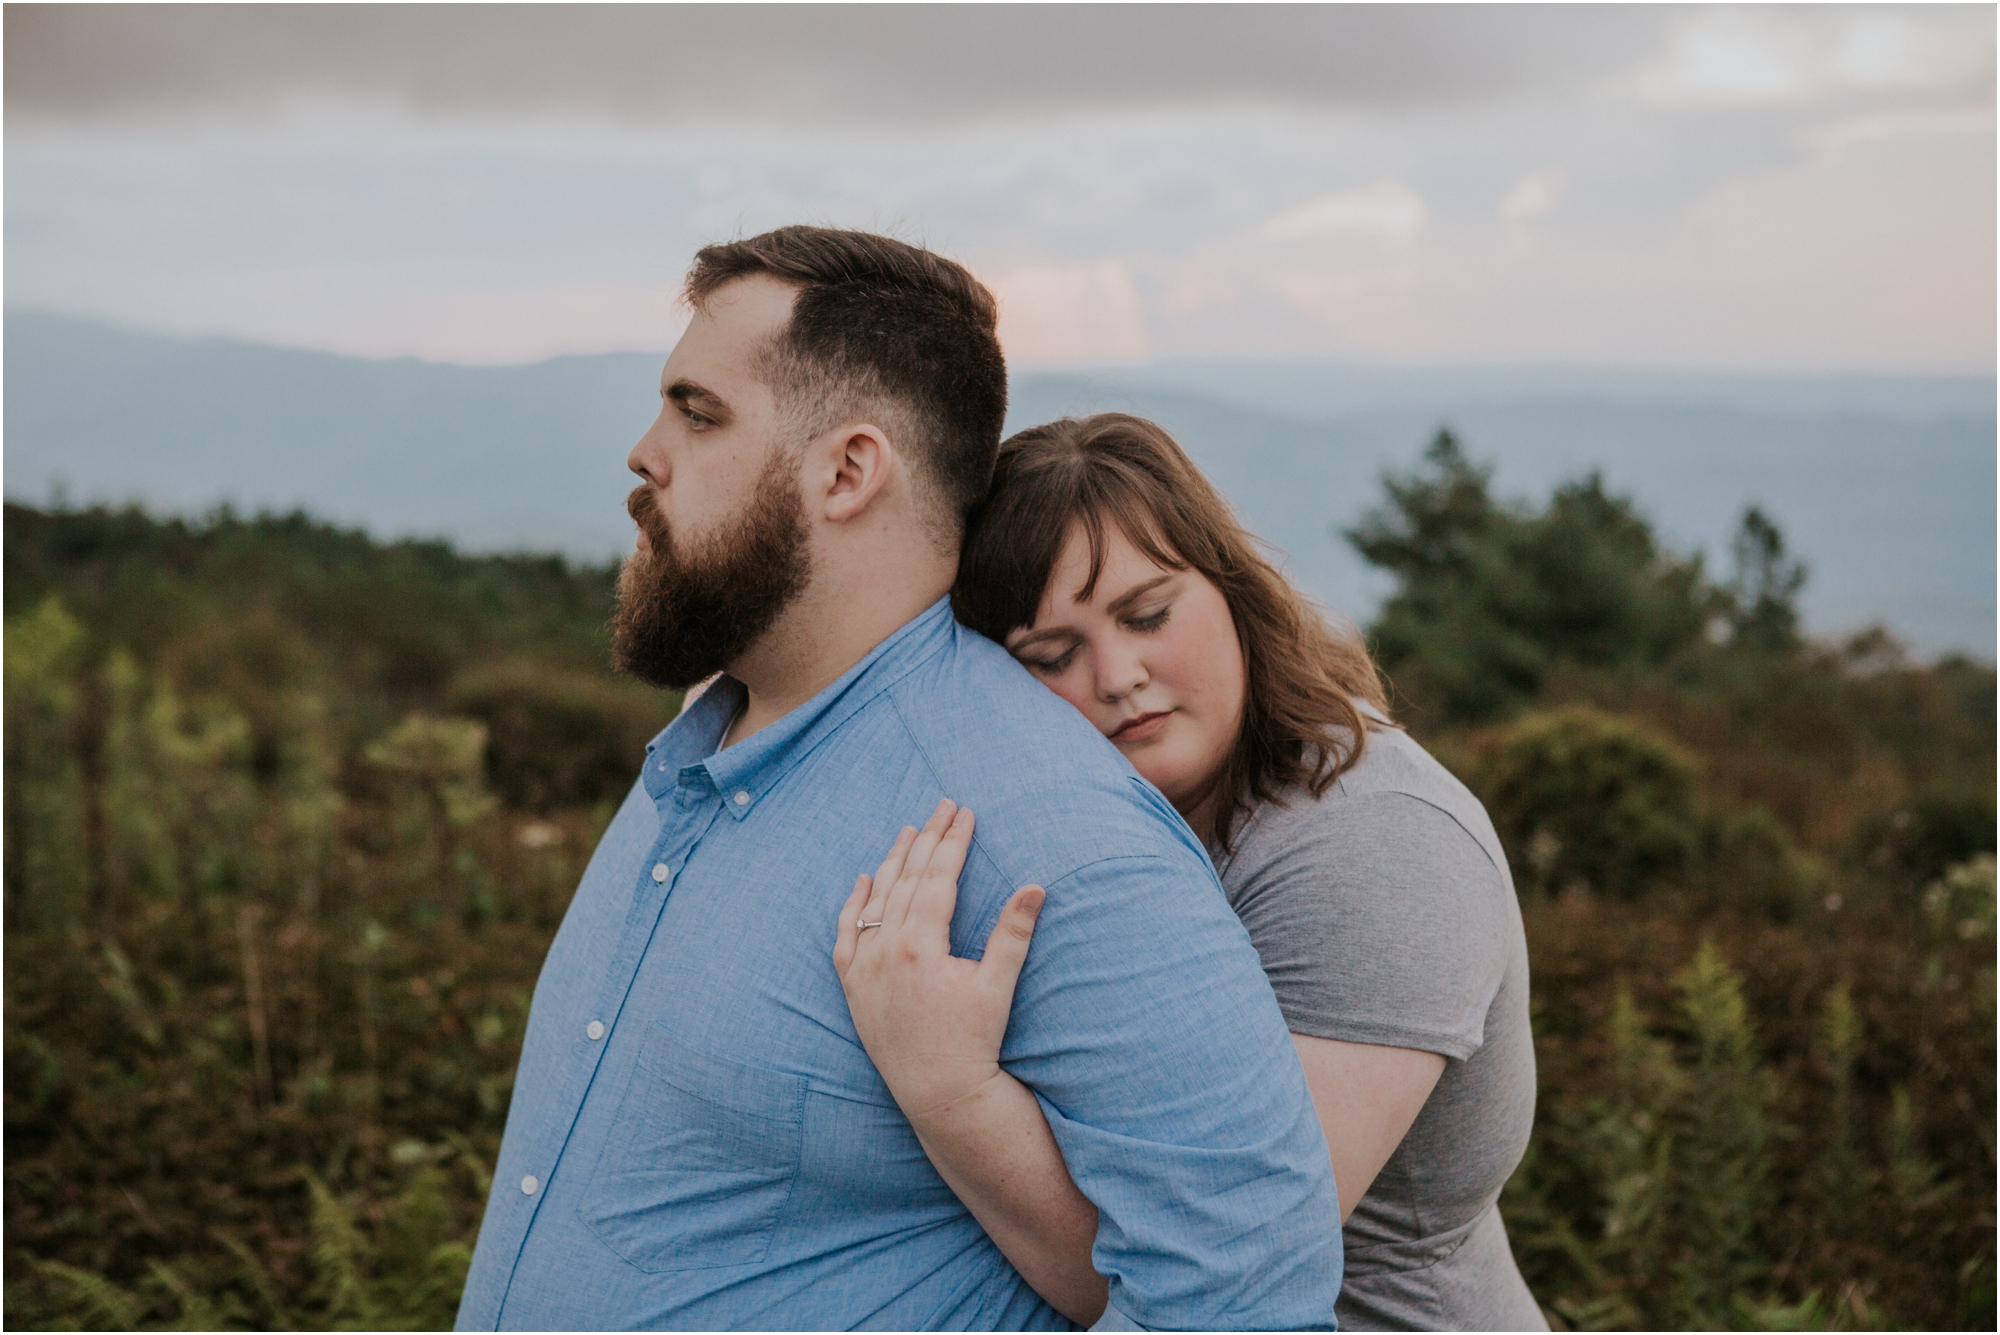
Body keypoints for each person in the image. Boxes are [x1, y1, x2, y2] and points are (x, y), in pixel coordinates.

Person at [453, 231, 1345, 1331]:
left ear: (846, 471)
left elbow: (1240, 1301)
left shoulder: (1047, 830)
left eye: (698, 413)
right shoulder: (709, 740)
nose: (644, 452)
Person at [836, 413, 1546, 1330]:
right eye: (1051, 657)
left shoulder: (1382, 846)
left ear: (1233, 587)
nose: (1119, 674)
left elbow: (1209, 1266)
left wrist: (950, 1090)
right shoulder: (1093, 817)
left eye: (1149, 614)